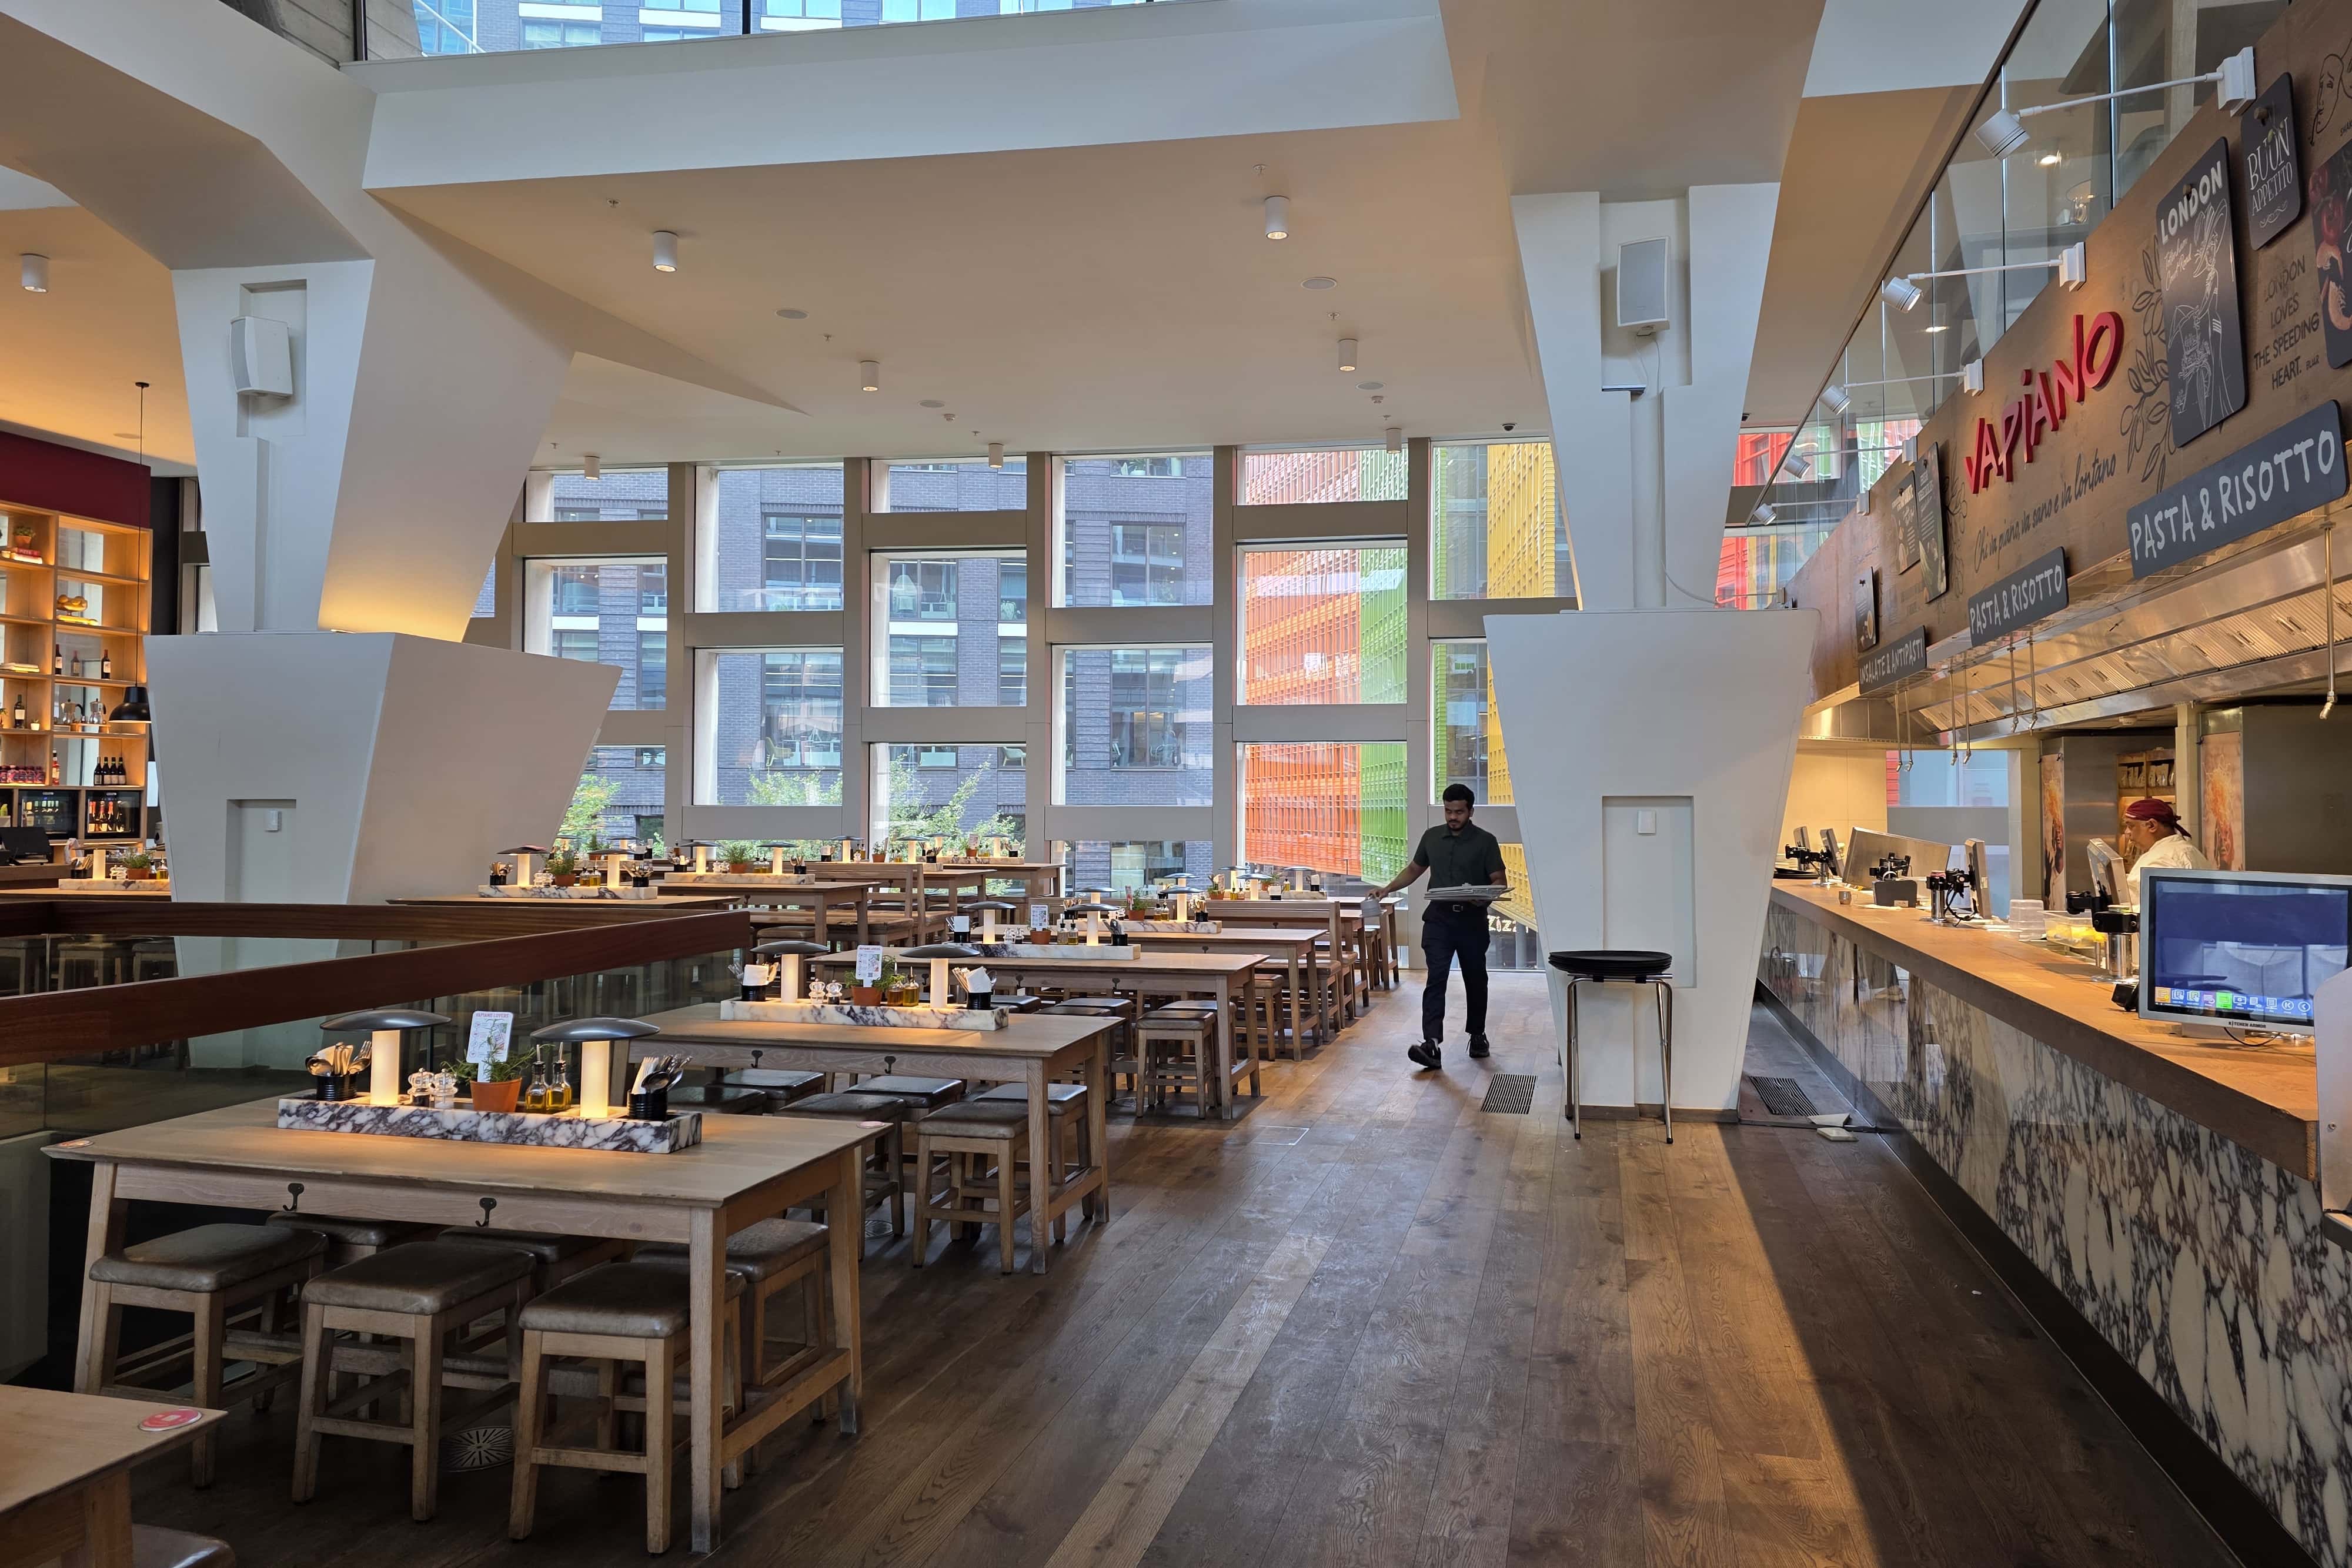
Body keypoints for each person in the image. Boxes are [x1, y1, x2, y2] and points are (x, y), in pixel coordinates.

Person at [1372, 782, 1508, 1069]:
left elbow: (1499, 880)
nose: (1452, 817)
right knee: (1436, 979)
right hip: (1439, 921)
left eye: (1459, 812)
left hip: (1472, 921)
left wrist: (1483, 897)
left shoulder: (1486, 841)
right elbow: (1415, 869)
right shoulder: (1432, 837)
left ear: (1470, 811)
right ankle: (1431, 1044)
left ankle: (1477, 1035)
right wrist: (1387, 889)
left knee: (1476, 979)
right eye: (1448, 811)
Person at [2120, 796, 2210, 904]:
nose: (2127, 832)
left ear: (2152, 826)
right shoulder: (2189, 850)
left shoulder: (2161, 859)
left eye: (2131, 826)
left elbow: (2154, 909)